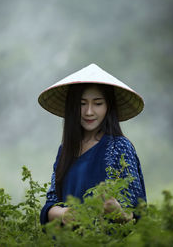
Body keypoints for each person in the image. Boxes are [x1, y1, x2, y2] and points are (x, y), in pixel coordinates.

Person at [38, 63, 146, 225]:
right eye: (82, 104)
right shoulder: (66, 149)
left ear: (108, 107)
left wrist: (120, 214)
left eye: (97, 103)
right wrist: (64, 213)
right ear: (73, 107)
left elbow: (136, 212)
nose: (89, 111)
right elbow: (51, 204)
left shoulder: (119, 147)